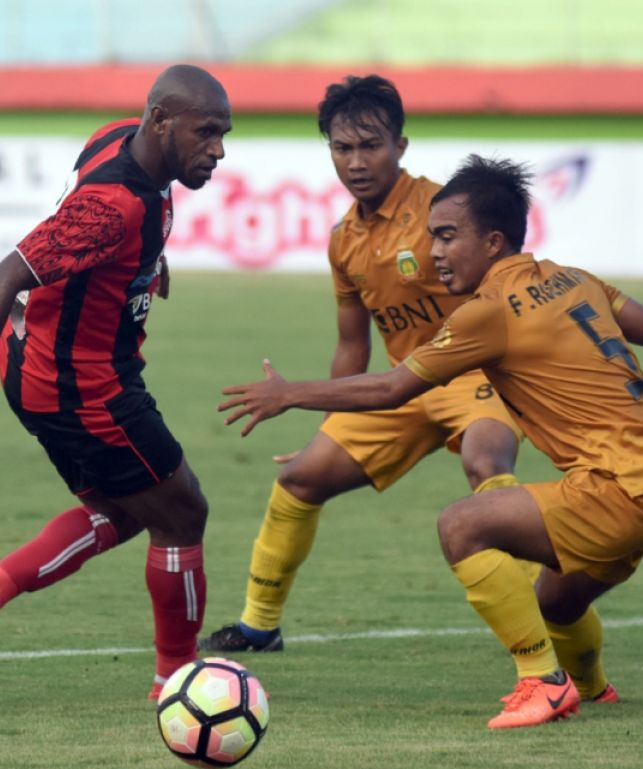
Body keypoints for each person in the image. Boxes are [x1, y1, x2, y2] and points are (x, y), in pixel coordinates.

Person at [219, 156, 643, 729]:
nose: (435, 252)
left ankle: (542, 683)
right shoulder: (576, 278)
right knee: (554, 604)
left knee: (461, 526)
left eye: (447, 237)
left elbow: (394, 387)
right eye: (432, 237)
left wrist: (291, 394)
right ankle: (594, 689)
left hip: (617, 492)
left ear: (493, 241)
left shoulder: (486, 313)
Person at [0, 65, 232, 700]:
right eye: (207, 132)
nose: (218, 149)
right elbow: (3, 277)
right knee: (183, 512)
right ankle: (179, 683)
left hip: (40, 369)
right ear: (160, 121)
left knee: (126, 509)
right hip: (85, 388)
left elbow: (91, 232)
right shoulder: (113, 207)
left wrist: (146, 264)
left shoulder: (115, 139)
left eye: (223, 133)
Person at [198, 75, 521, 655]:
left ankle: (541, 629)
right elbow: (353, 347)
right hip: (399, 386)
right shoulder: (343, 239)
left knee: (486, 463)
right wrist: (329, 428)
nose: (355, 161)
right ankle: (258, 626)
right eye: (342, 148)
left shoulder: (442, 209)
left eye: (370, 145)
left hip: (473, 374)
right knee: (299, 481)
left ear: (401, 144)